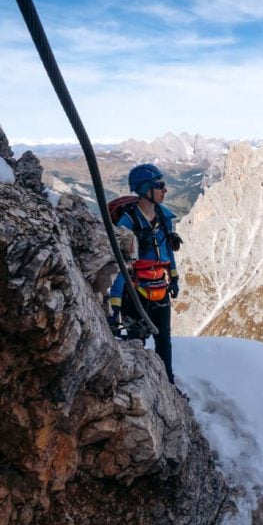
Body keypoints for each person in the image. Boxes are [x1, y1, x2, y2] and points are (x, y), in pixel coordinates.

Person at [108, 163, 181, 383]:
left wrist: (174, 278)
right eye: (160, 186)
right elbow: (122, 264)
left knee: (164, 342)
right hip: (135, 293)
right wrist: (116, 301)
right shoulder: (127, 222)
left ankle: (168, 383)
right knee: (135, 343)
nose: (164, 190)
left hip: (160, 289)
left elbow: (168, 250)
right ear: (145, 189)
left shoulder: (164, 217)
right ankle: (138, 385)